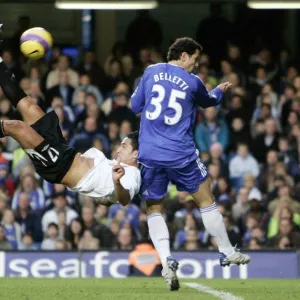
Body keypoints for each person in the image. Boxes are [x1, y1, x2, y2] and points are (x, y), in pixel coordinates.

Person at [131, 37, 250, 291]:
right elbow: (209, 102)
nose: (196, 66)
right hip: (180, 154)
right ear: (183, 56)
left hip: (150, 154)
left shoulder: (150, 72)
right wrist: (219, 90)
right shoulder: (192, 81)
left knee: (154, 207)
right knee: (206, 199)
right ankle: (227, 251)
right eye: (194, 60)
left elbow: (134, 106)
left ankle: (166, 261)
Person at [0, 46, 140, 206]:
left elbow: (124, 199)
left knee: (16, 126)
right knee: (28, 104)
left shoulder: (132, 175)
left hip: (58, 165)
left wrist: (116, 183)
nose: (118, 149)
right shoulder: (116, 167)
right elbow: (109, 199)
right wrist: (106, 198)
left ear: (135, 154)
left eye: (124, 146)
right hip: (62, 150)